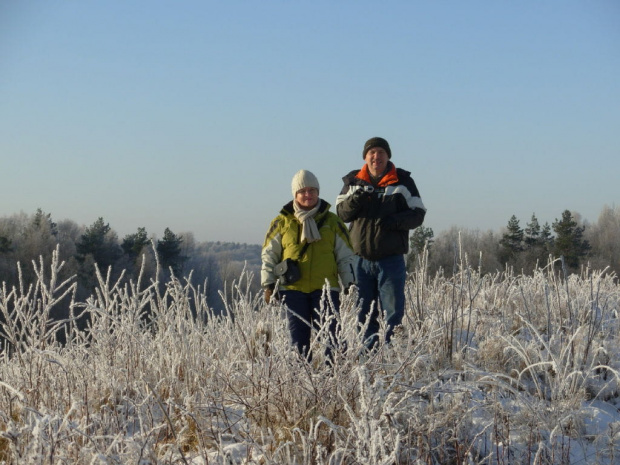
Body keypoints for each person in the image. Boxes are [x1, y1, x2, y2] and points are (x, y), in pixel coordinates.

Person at [336, 137, 426, 348]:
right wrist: (356, 198)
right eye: (372, 153)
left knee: (393, 313)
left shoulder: (402, 181)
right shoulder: (353, 181)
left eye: (381, 152)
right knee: (363, 314)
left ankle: (391, 359)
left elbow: (418, 214)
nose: (376, 157)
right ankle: (367, 362)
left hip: (391, 260)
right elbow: (341, 214)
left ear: (388, 156)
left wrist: (394, 221)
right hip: (360, 260)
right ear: (366, 157)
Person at [261, 169, 356, 361]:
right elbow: (269, 255)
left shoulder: (332, 222)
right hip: (293, 289)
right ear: (295, 194)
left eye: (312, 190)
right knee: (298, 342)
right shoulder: (282, 222)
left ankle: (335, 379)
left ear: (318, 192)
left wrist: (350, 283)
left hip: (326, 289)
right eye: (303, 191)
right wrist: (268, 284)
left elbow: (345, 257)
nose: (308, 195)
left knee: (333, 338)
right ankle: (301, 381)